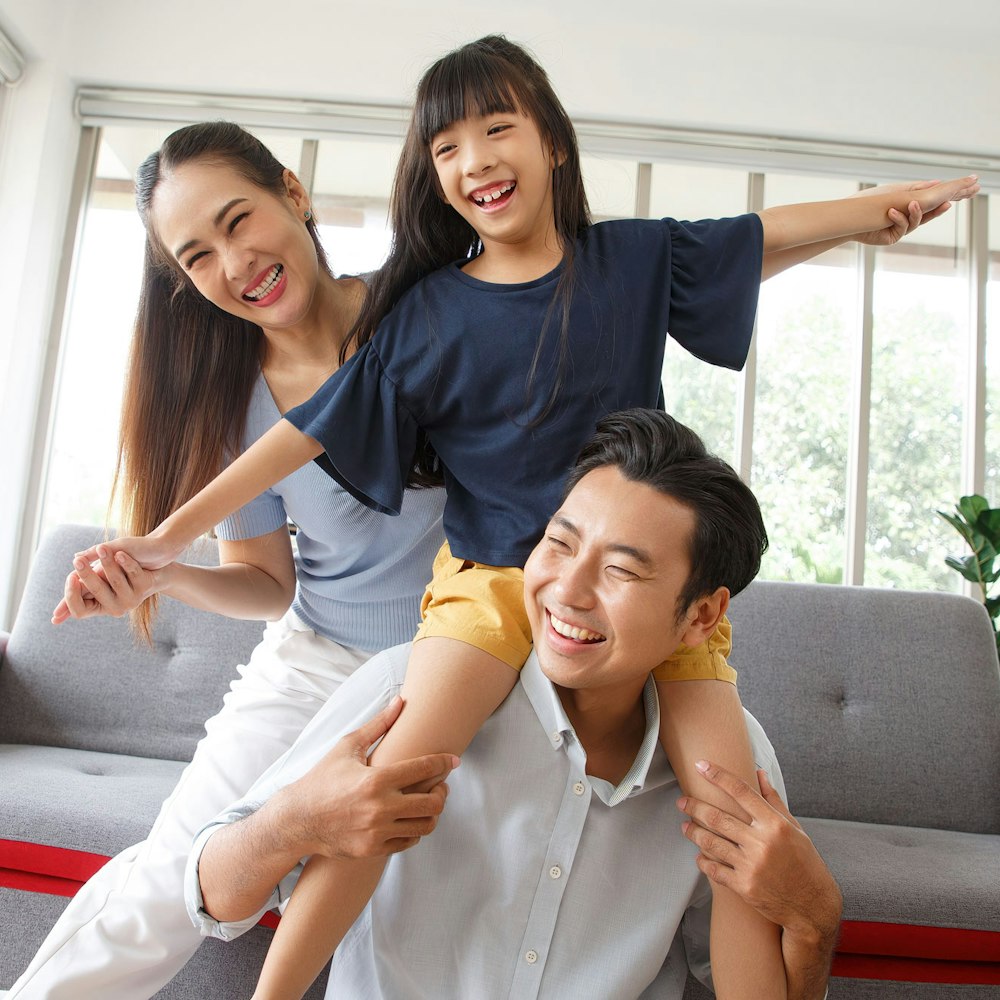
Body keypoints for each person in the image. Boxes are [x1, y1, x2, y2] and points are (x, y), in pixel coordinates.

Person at [74, 35, 979, 998]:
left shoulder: (630, 260)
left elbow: (753, 236)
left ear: (552, 140)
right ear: (432, 177)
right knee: (393, 781)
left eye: (498, 128)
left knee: (738, 813)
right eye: (446, 148)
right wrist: (167, 539)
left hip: (635, 579)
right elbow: (301, 435)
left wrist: (877, 214)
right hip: (486, 578)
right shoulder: (424, 313)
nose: (474, 160)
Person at [8, 122, 456, 1000]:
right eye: (197, 256)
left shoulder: (426, 309)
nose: (233, 261)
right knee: (174, 871)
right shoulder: (234, 400)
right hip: (320, 658)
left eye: (238, 219)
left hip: (466, 658)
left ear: (294, 192)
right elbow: (267, 587)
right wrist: (164, 574)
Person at [185, 409, 844, 1000]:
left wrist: (814, 925)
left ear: (702, 617)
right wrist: (293, 822)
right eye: (559, 543)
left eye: (620, 570)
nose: (570, 589)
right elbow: (214, 900)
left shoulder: (733, 763)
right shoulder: (405, 692)